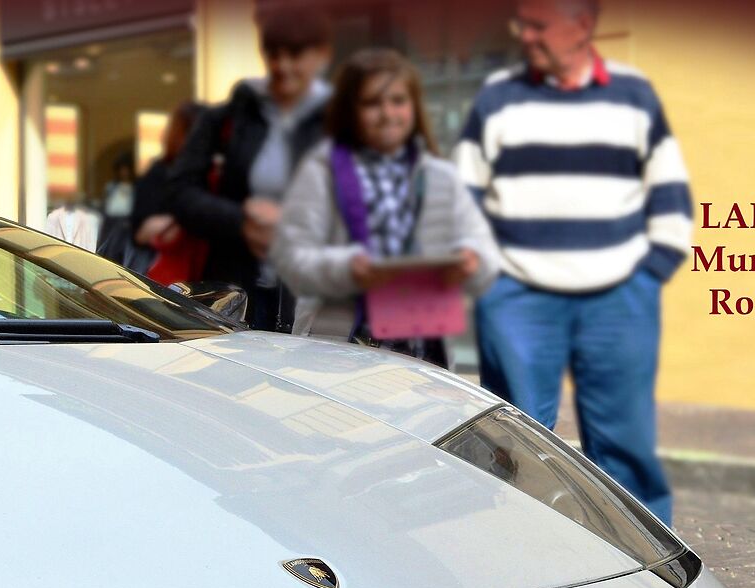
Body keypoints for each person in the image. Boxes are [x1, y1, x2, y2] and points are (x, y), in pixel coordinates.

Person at [457, 0, 690, 522]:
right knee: (516, 440)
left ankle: (646, 561)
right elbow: (463, 195)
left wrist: (651, 274)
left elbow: (670, 192)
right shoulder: (499, 97)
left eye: (538, 25)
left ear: (583, 26)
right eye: (522, 24)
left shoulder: (633, 94)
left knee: (624, 441)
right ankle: (521, 547)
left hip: (619, 295)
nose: (526, 36)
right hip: (518, 294)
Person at [276, 48, 498, 365]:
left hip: (423, 348)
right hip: (338, 345)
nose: (387, 113)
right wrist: (346, 267)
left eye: (397, 100)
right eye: (371, 103)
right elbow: (292, 257)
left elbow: (486, 256)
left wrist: (471, 262)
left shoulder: (440, 176)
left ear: (414, 106)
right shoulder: (320, 172)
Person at [168, 11, 333, 330]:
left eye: (296, 53)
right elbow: (180, 192)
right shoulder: (228, 117)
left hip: (313, 297)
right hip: (234, 296)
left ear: (321, 55)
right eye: (274, 53)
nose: (283, 65)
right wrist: (241, 219)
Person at [124, 101, 208, 282]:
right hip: (168, 282)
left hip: (208, 280)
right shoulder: (160, 174)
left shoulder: (212, 174)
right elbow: (140, 233)